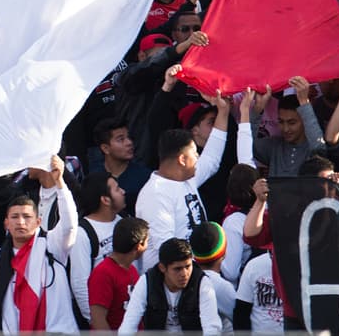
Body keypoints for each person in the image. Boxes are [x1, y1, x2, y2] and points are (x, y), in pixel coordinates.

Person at [0, 157, 79, 332]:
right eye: (14, 217)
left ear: (38, 221)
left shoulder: (53, 246)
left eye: (27, 217)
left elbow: (70, 225)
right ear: (6, 223)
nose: (20, 222)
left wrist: (60, 182)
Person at [136, 96, 230, 270]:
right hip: (171, 286)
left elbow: (212, 157)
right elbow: (167, 250)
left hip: (193, 276)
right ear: (181, 159)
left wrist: (223, 111)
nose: (198, 158)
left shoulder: (185, 178)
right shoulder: (156, 194)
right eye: (194, 154)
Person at [118, 238, 222, 334]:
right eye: (178, 269)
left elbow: (212, 328)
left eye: (188, 266)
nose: (184, 273)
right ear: (162, 267)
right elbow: (128, 325)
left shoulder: (202, 282)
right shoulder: (147, 281)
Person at [69, 172, 127, 326]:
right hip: (103, 316)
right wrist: (96, 322)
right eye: (117, 189)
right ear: (105, 199)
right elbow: (80, 283)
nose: (123, 191)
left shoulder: (124, 222)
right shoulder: (83, 233)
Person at [87, 217, 149, 331]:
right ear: (138, 246)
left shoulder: (132, 270)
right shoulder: (103, 273)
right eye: (147, 242)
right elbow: (98, 319)